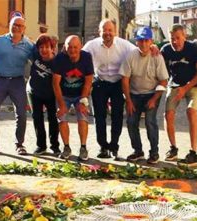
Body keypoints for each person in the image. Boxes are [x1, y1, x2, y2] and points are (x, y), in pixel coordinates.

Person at [0, 16, 35, 156]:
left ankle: (19, 144)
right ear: (9, 25)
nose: (16, 27)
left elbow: (38, 64)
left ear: (24, 29)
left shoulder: (29, 45)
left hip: (18, 82)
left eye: (20, 26)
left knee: (21, 114)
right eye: (14, 24)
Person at [82, 19, 136, 160]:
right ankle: (103, 146)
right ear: (99, 32)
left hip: (118, 84)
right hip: (100, 82)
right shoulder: (91, 46)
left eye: (110, 30)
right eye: (104, 30)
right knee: (99, 116)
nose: (107, 33)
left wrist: (154, 48)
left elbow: (139, 51)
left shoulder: (124, 45)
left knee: (117, 116)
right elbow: (79, 57)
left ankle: (114, 146)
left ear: (115, 32)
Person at [120, 26, 169, 164]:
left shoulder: (157, 56)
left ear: (151, 41)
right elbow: (125, 80)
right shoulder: (130, 56)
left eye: (146, 40)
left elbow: (164, 81)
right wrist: (128, 100)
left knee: (150, 121)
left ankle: (154, 152)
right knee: (131, 121)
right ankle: (138, 151)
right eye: (140, 40)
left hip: (152, 93)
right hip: (134, 94)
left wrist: (154, 99)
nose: (143, 43)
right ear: (137, 42)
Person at [161, 24, 197, 167]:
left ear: (184, 37)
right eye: (172, 38)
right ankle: (173, 148)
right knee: (168, 114)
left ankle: (193, 152)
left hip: (192, 84)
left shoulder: (193, 48)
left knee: (191, 111)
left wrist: (185, 88)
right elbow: (159, 68)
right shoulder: (165, 50)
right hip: (174, 84)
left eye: (178, 38)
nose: (175, 42)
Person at [52, 35, 94, 161]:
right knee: (62, 118)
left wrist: (83, 101)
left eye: (75, 47)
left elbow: (88, 81)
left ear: (80, 47)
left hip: (80, 93)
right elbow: (55, 83)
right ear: (65, 47)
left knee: (83, 118)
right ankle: (66, 147)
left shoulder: (86, 57)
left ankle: (83, 147)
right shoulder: (59, 59)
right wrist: (61, 104)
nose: (72, 50)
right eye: (69, 47)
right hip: (63, 93)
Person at [28, 34, 60, 156]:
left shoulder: (57, 62)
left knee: (53, 119)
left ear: (52, 48)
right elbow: (27, 40)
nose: (44, 50)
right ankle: (41, 146)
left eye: (47, 47)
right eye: (41, 47)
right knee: (37, 118)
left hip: (51, 94)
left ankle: (55, 146)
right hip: (35, 92)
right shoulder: (36, 55)